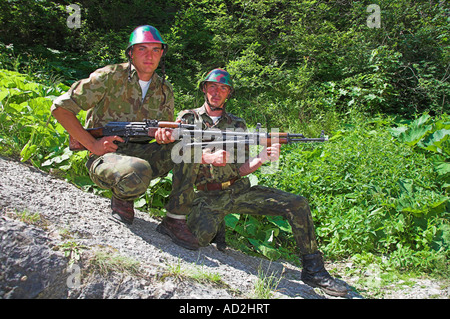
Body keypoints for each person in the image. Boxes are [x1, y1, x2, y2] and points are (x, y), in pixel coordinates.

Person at [159, 68, 348, 297]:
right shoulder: (189, 118)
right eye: (212, 87)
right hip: (207, 197)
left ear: (229, 93)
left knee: (297, 204)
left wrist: (262, 158)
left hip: (239, 192)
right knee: (195, 241)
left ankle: (314, 270)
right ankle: (184, 222)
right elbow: (175, 153)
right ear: (204, 89)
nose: (216, 92)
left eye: (223, 88)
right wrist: (208, 157)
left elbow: (241, 169)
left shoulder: (238, 125)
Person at [51, 25, 176, 225]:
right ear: (131, 53)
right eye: (142, 48)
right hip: (106, 154)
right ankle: (122, 200)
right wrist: (93, 145)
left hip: (142, 151)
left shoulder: (165, 89)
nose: (149, 56)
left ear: (162, 54)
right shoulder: (110, 77)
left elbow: (163, 130)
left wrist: (165, 135)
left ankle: (176, 219)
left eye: (156, 50)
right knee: (137, 168)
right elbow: (60, 109)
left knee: (186, 150)